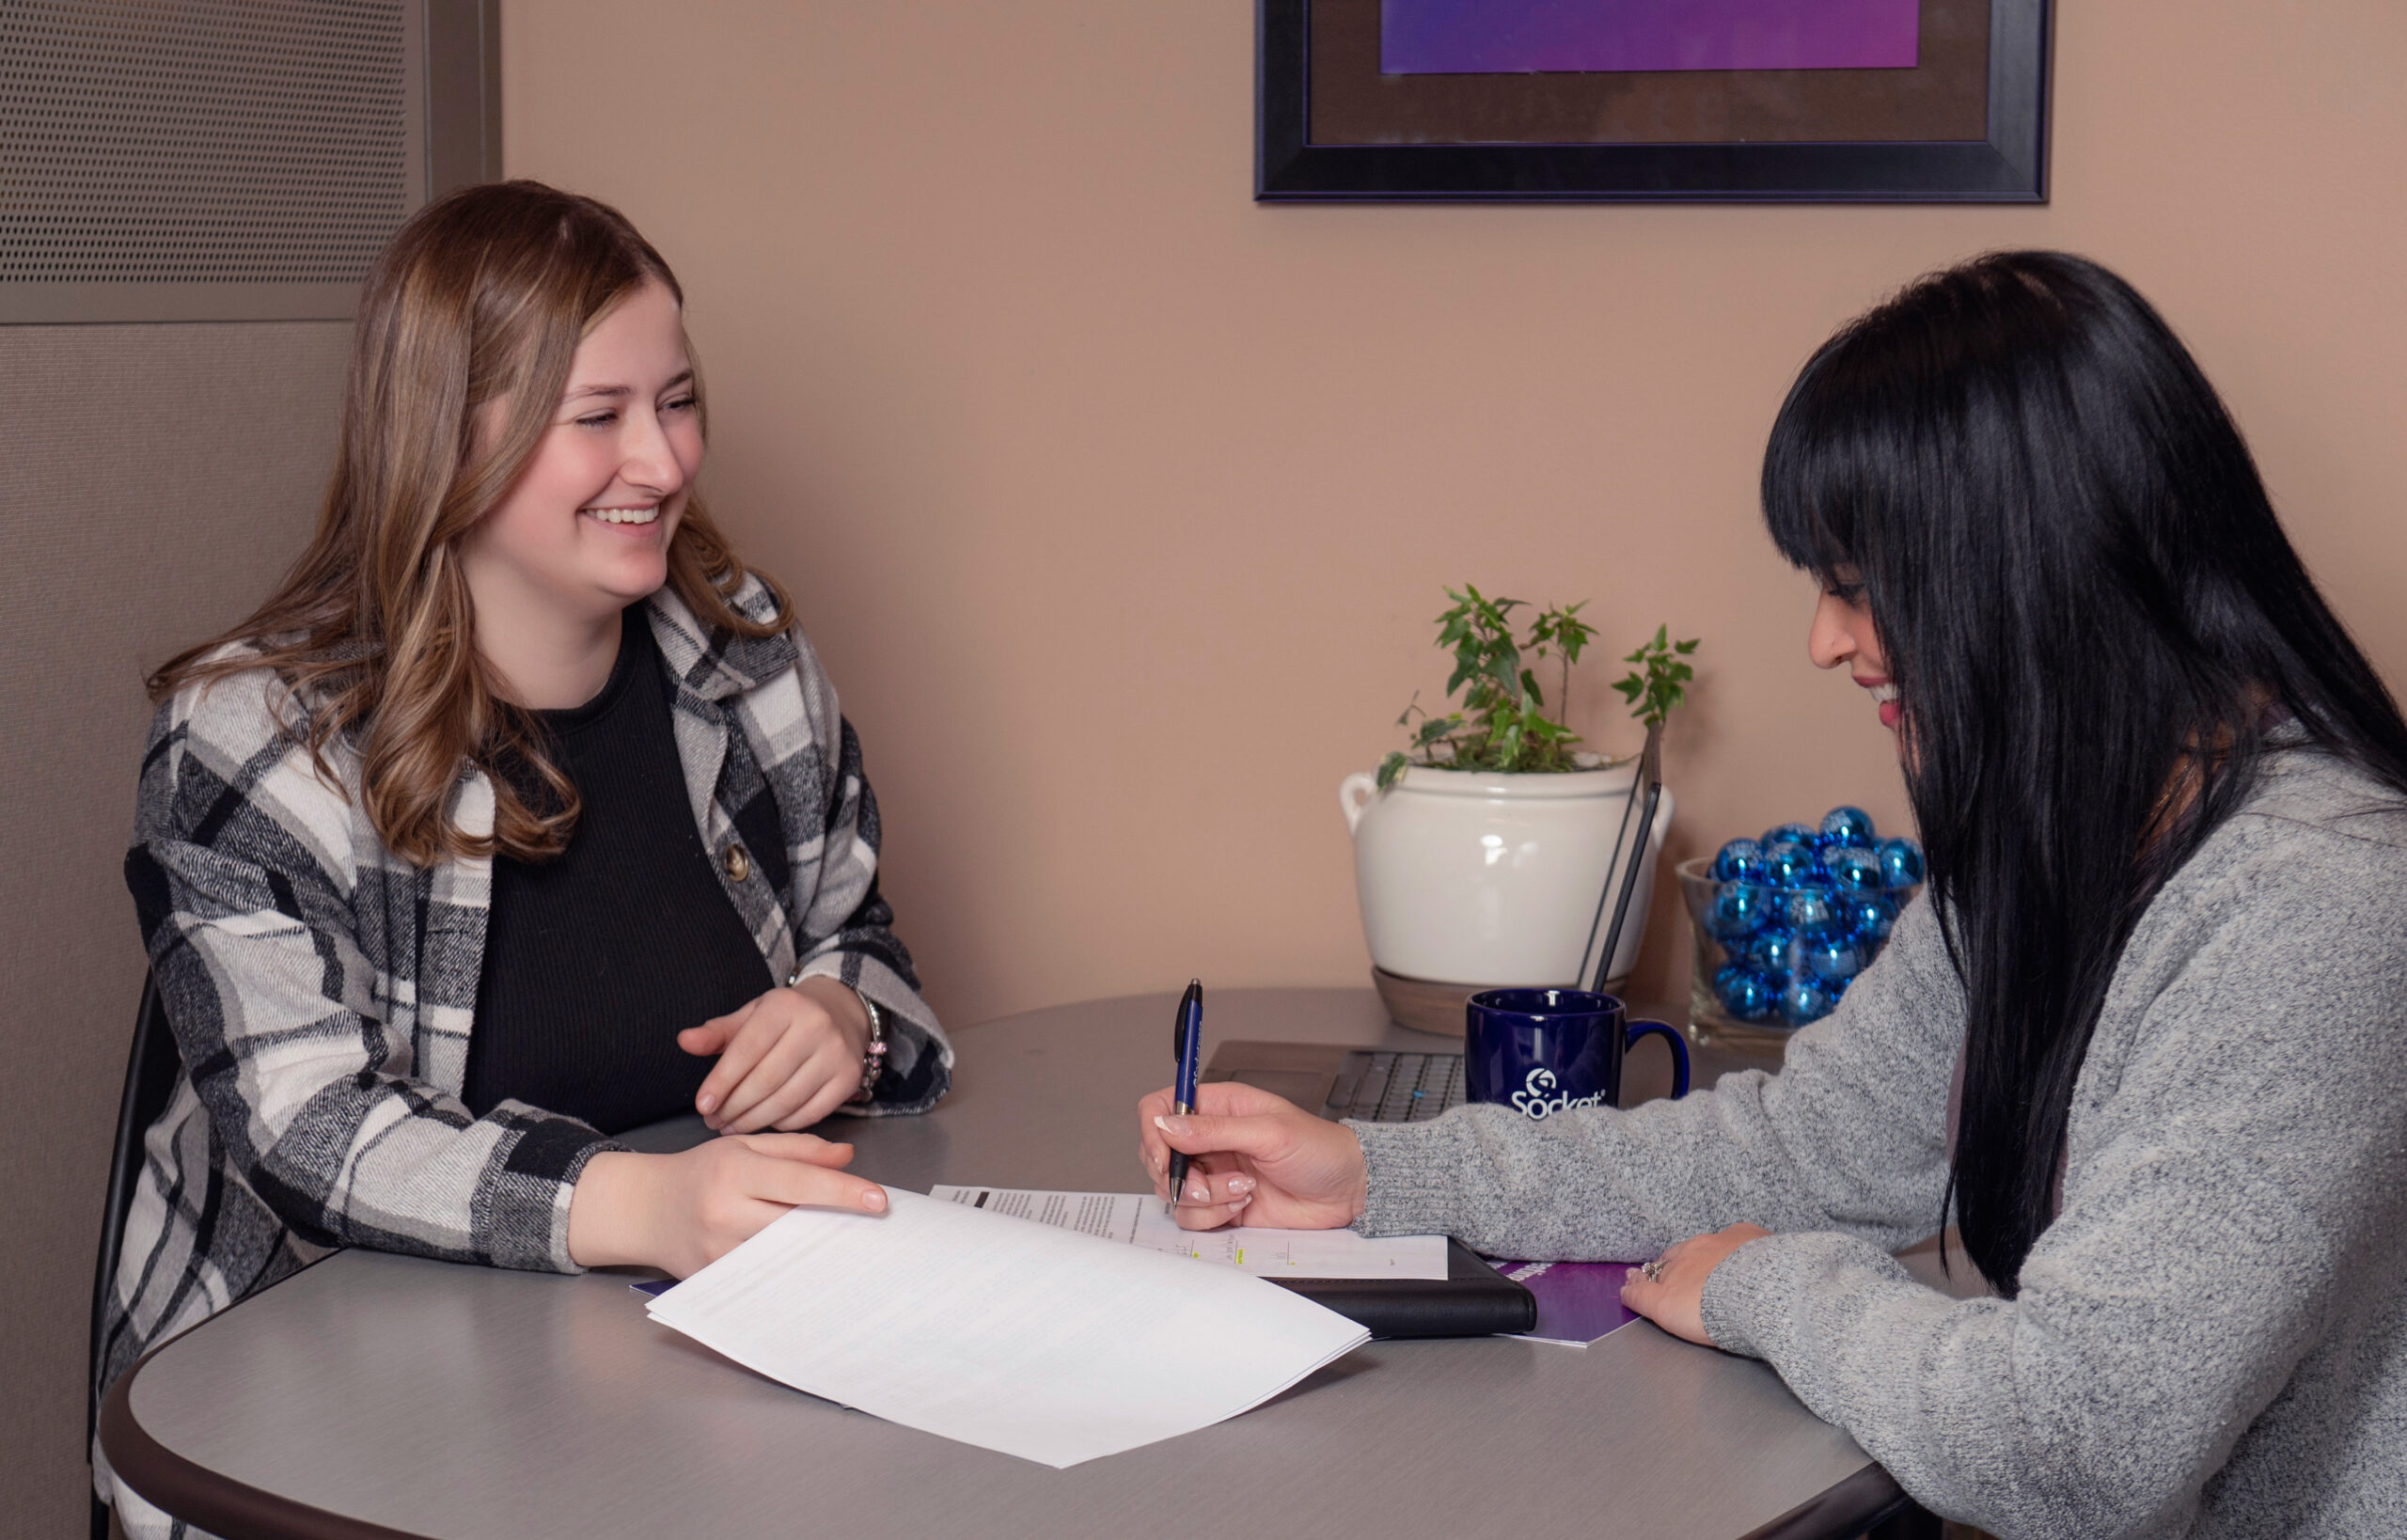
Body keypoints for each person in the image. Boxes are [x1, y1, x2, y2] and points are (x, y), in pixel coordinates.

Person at [1139, 252, 2407, 1538]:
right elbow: (1808, 1151)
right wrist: (1374, 1175)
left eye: (1860, 585)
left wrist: (1771, 1286)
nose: (1825, 640)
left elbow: (2077, 1445)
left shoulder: (2318, 910)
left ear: (2029, 568)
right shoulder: (2060, 848)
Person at [97, 181, 950, 1532]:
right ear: (447, 438)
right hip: (324, 1440)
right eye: (598, 418)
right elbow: (306, 1130)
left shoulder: (750, 659)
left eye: (677, 401)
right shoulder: (247, 743)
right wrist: (642, 1205)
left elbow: (872, 943)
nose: (664, 464)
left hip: (688, 1405)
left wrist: (841, 1013)